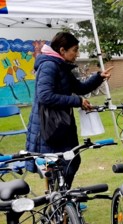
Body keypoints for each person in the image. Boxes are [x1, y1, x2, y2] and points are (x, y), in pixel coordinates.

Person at [25, 32, 113, 187]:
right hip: (49, 127)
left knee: (69, 161)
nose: (77, 54)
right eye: (75, 50)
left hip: (61, 125)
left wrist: (99, 77)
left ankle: (62, 202)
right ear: (62, 50)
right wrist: (76, 101)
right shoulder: (49, 65)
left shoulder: (60, 65)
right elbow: (45, 96)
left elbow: (80, 87)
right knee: (56, 166)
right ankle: (59, 203)